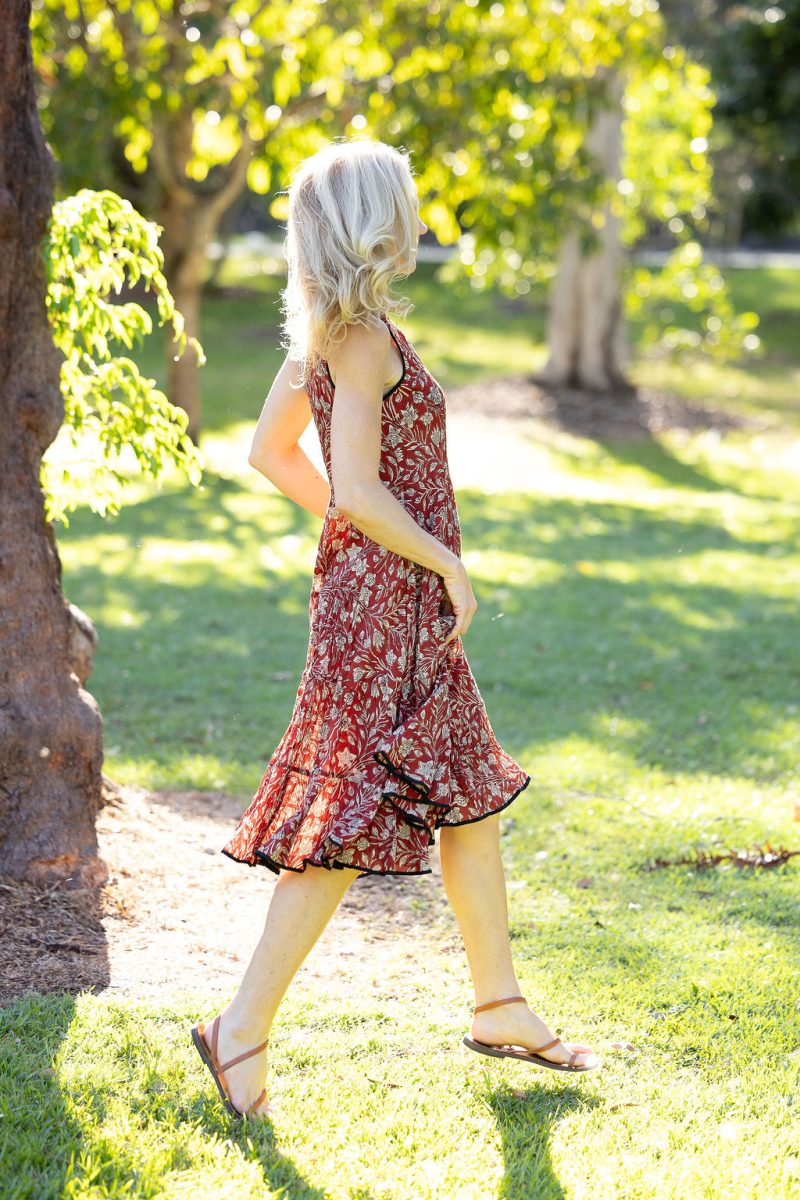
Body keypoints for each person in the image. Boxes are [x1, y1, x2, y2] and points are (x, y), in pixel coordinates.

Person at [191, 138, 600, 1120]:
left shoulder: (334, 331)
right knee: (349, 820)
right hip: (389, 613)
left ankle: (498, 1003)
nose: (417, 216)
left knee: (468, 792)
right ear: (376, 220)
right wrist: (438, 559)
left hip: (384, 601)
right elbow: (360, 488)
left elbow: (271, 453)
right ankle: (238, 1030)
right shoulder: (360, 339)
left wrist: (364, 538)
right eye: (406, 201)